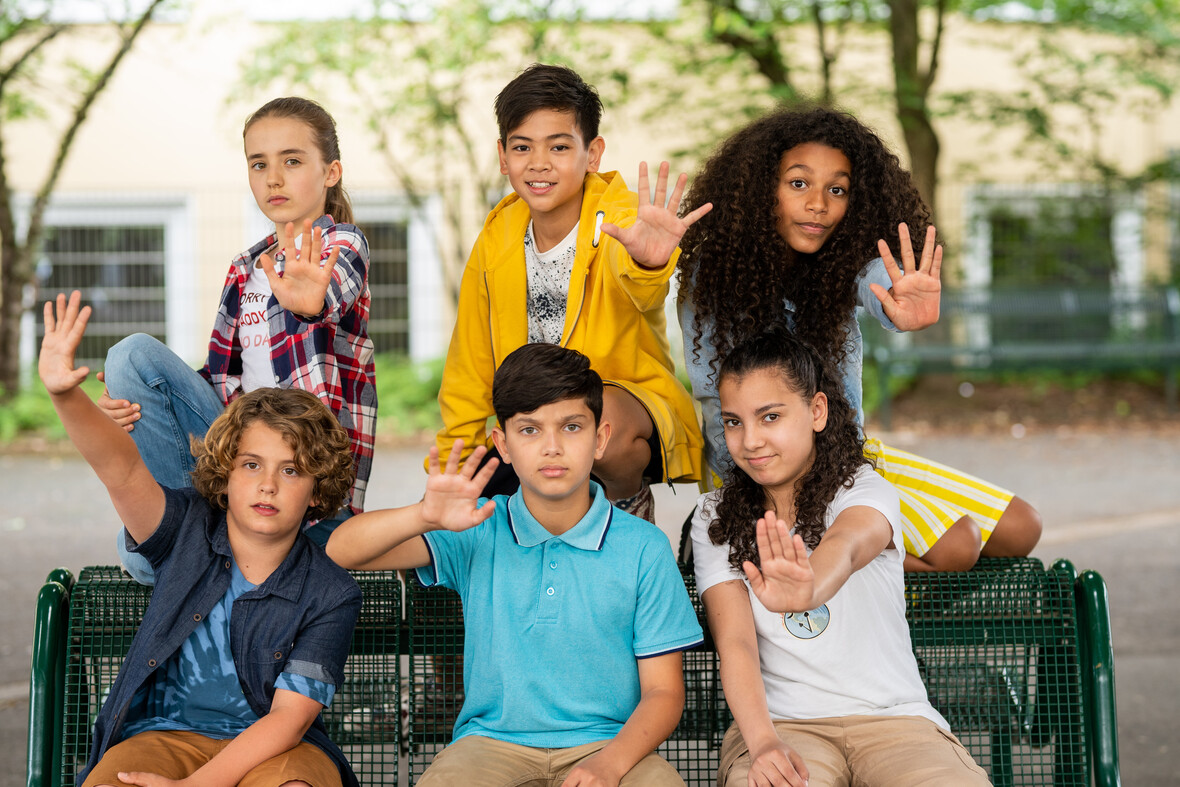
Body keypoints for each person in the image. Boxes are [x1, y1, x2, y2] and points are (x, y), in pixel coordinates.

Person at [678, 106, 1041, 571]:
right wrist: (752, 502)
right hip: (761, 472)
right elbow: (718, 407)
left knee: (1022, 527)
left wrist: (900, 303)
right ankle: (754, 557)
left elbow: (877, 283)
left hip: (847, 458)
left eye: (837, 190)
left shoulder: (838, 261)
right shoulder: (717, 272)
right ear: (758, 190)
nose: (818, 204)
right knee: (955, 547)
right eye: (798, 183)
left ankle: (856, 581)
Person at [330, 343, 704, 786]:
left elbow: (663, 692)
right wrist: (423, 516)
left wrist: (609, 764)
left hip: (612, 746)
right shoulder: (478, 527)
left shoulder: (644, 547)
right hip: (489, 747)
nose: (551, 447)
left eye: (571, 426)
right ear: (502, 446)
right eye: (529, 430)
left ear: (600, 438)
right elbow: (342, 551)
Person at [38, 291, 362, 787]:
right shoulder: (183, 530)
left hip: (273, 745)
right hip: (166, 733)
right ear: (225, 473)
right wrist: (65, 396)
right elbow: (120, 467)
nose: (267, 485)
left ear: (318, 492)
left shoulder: (331, 591)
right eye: (251, 465)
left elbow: (287, 720)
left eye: (291, 470)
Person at [691, 329, 993, 786]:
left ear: (816, 411)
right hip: (782, 726)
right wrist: (764, 742)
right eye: (733, 422)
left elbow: (848, 545)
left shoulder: (863, 488)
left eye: (769, 417)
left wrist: (811, 584)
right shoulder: (714, 516)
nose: (750, 440)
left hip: (896, 723)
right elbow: (736, 643)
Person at [98, 96, 375, 583]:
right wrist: (134, 397)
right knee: (132, 358)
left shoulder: (342, 245)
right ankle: (179, 529)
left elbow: (330, 294)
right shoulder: (248, 267)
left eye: (292, 161)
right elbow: (221, 378)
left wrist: (308, 301)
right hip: (241, 443)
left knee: (142, 560)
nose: (273, 178)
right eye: (259, 164)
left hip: (304, 468)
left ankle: (193, 544)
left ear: (331, 172)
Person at [434, 62, 712, 523]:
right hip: (535, 406)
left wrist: (648, 261)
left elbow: (642, 289)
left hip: (622, 405)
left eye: (559, 147)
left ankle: (626, 502)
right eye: (522, 147)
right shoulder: (496, 237)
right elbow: (470, 358)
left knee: (595, 418)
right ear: (503, 156)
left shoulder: (621, 216)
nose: (539, 164)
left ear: (593, 153)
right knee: (479, 512)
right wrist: (454, 459)